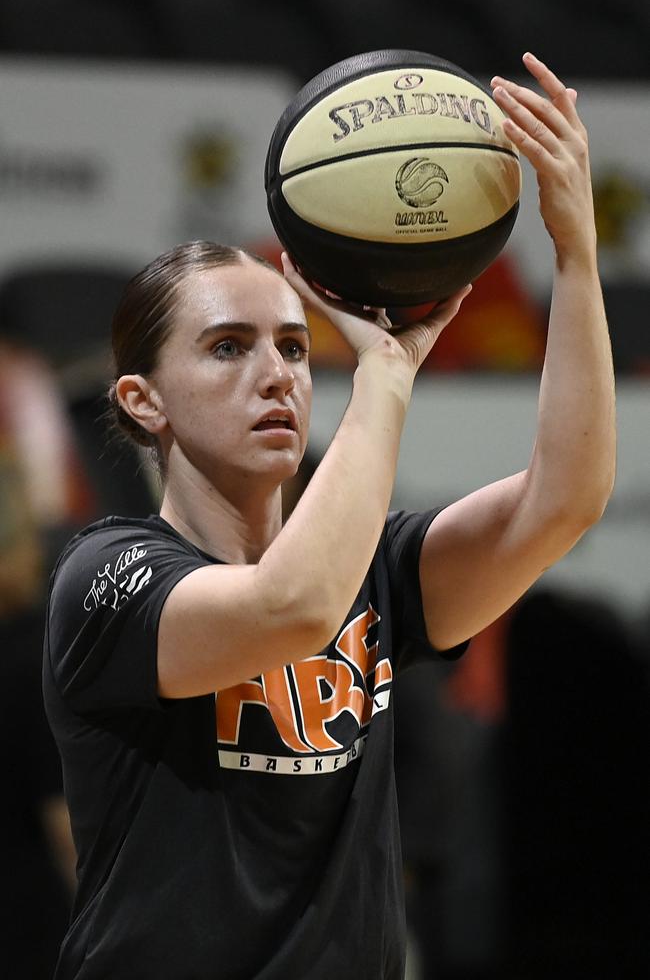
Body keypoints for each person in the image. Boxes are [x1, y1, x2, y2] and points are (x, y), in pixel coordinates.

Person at [43, 53, 616, 980]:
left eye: (297, 348)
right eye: (228, 348)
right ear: (144, 402)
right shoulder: (107, 580)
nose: (276, 373)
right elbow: (295, 607)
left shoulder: (376, 570)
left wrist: (578, 255)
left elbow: (566, 500)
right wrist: (385, 375)